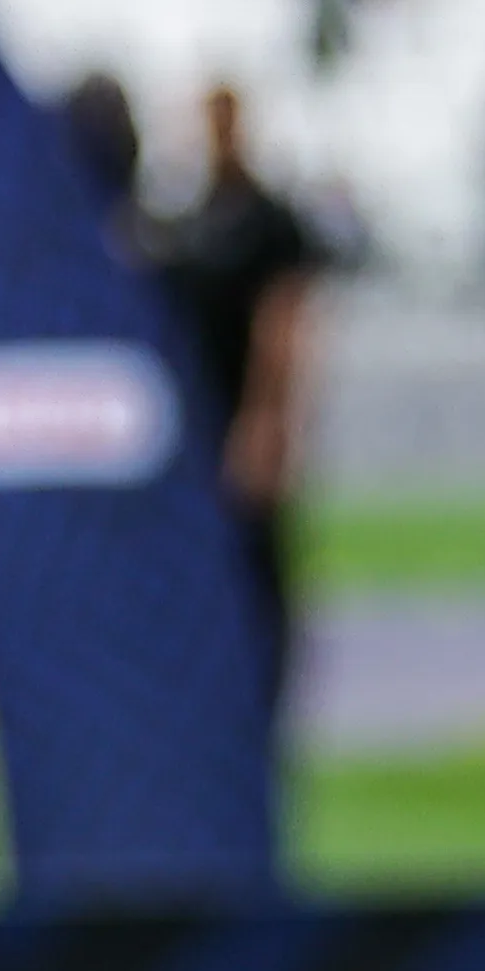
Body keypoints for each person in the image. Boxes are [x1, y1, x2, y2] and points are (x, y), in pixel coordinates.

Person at [157, 82, 321, 717]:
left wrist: (268, 418)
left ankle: (268, 696)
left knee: (258, 563)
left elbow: (286, 323)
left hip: (242, 416)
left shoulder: (269, 222)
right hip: (197, 420)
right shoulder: (190, 220)